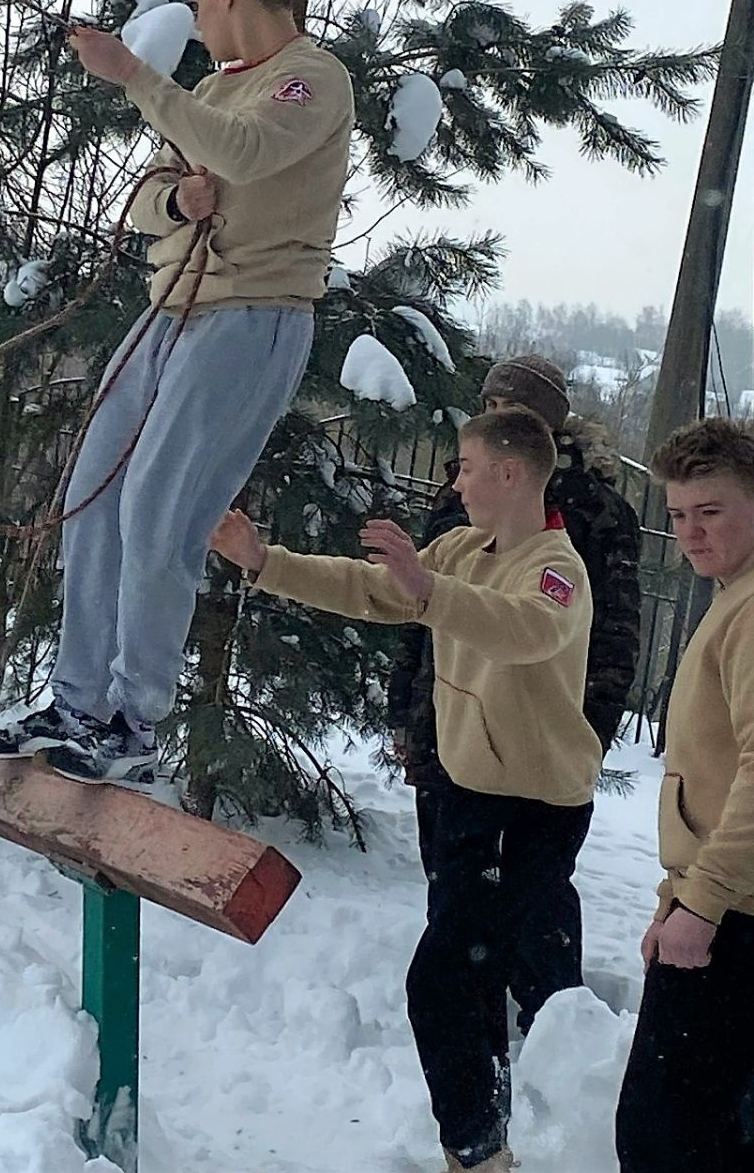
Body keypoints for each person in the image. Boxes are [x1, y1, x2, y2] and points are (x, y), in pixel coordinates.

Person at [0, 0, 353, 782]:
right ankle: (77, 702)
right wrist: (177, 201)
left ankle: (135, 723)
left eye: (201, 5)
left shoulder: (311, 78)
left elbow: (245, 150)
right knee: (95, 491)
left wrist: (135, 76)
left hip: (250, 313)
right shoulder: (211, 88)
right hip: (169, 309)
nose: (198, 25)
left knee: (157, 508)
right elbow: (145, 197)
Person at [212, 408, 602, 1173]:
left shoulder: (557, 570)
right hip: (467, 795)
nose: (456, 482)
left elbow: (524, 630)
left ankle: (476, 1152)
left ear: (509, 473)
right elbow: (376, 589)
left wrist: (430, 590)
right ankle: (486, 1143)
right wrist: (264, 560)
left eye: (466, 466)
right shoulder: (460, 548)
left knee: (440, 979)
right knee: (470, 977)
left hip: (532, 811)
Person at [388, 353, 641, 1031]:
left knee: (536, 892)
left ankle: (553, 1014)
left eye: (512, 409)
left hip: (533, 737)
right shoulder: (461, 493)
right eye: (492, 405)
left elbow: (612, 633)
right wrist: (406, 702)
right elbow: (419, 603)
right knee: (452, 876)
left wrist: (586, 726)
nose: (496, 417)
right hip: (448, 714)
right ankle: (470, 999)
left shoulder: (592, 508)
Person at [615, 417, 754, 1173]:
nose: (689, 533)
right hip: (722, 907)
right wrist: (679, 897)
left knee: (667, 1138)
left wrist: (702, 905)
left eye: (711, 511)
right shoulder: (735, 598)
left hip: (737, 920)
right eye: (676, 514)